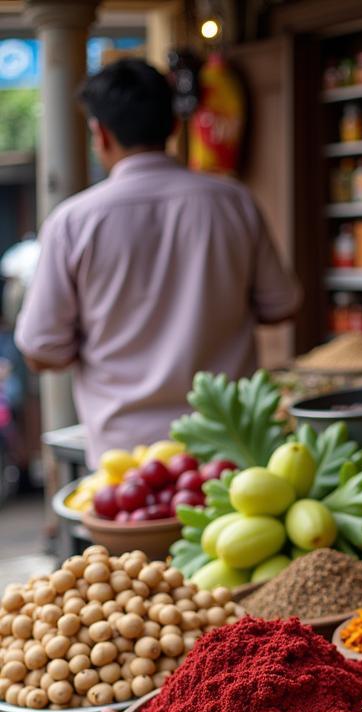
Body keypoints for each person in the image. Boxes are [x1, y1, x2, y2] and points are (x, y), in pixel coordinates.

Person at [15, 59, 301, 466]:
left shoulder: (74, 222)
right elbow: (283, 305)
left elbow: (40, 350)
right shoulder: (232, 202)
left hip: (128, 466)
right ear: (174, 126)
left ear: (100, 133)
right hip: (231, 448)